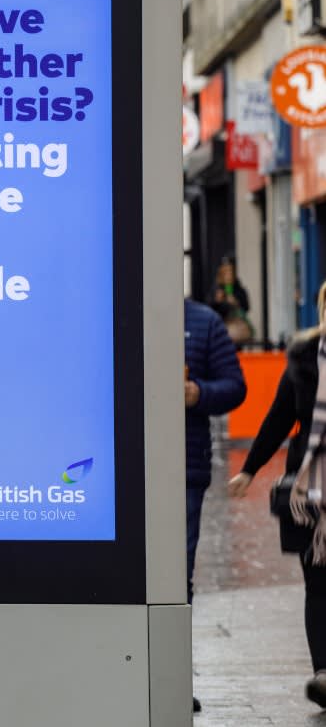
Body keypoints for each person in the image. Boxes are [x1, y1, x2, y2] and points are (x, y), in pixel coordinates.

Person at [229, 278, 326, 708]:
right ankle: (324, 672)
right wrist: (249, 469)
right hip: (311, 495)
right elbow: (279, 417)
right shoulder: (304, 360)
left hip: (312, 489)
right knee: (318, 584)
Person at [184, 297, 246, 713]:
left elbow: (235, 386)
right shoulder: (113, 308)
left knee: (176, 576)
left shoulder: (203, 322)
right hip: (119, 471)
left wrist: (197, 393)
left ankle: (169, 675)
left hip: (184, 470)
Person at [210, 257, 252, 345]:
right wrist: (217, 302)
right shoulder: (216, 289)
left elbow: (246, 307)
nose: (228, 275)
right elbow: (210, 309)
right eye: (226, 272)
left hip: (237, 328)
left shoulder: (238, 289)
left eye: (230, 272)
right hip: (221, 326)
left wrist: (236, 303)